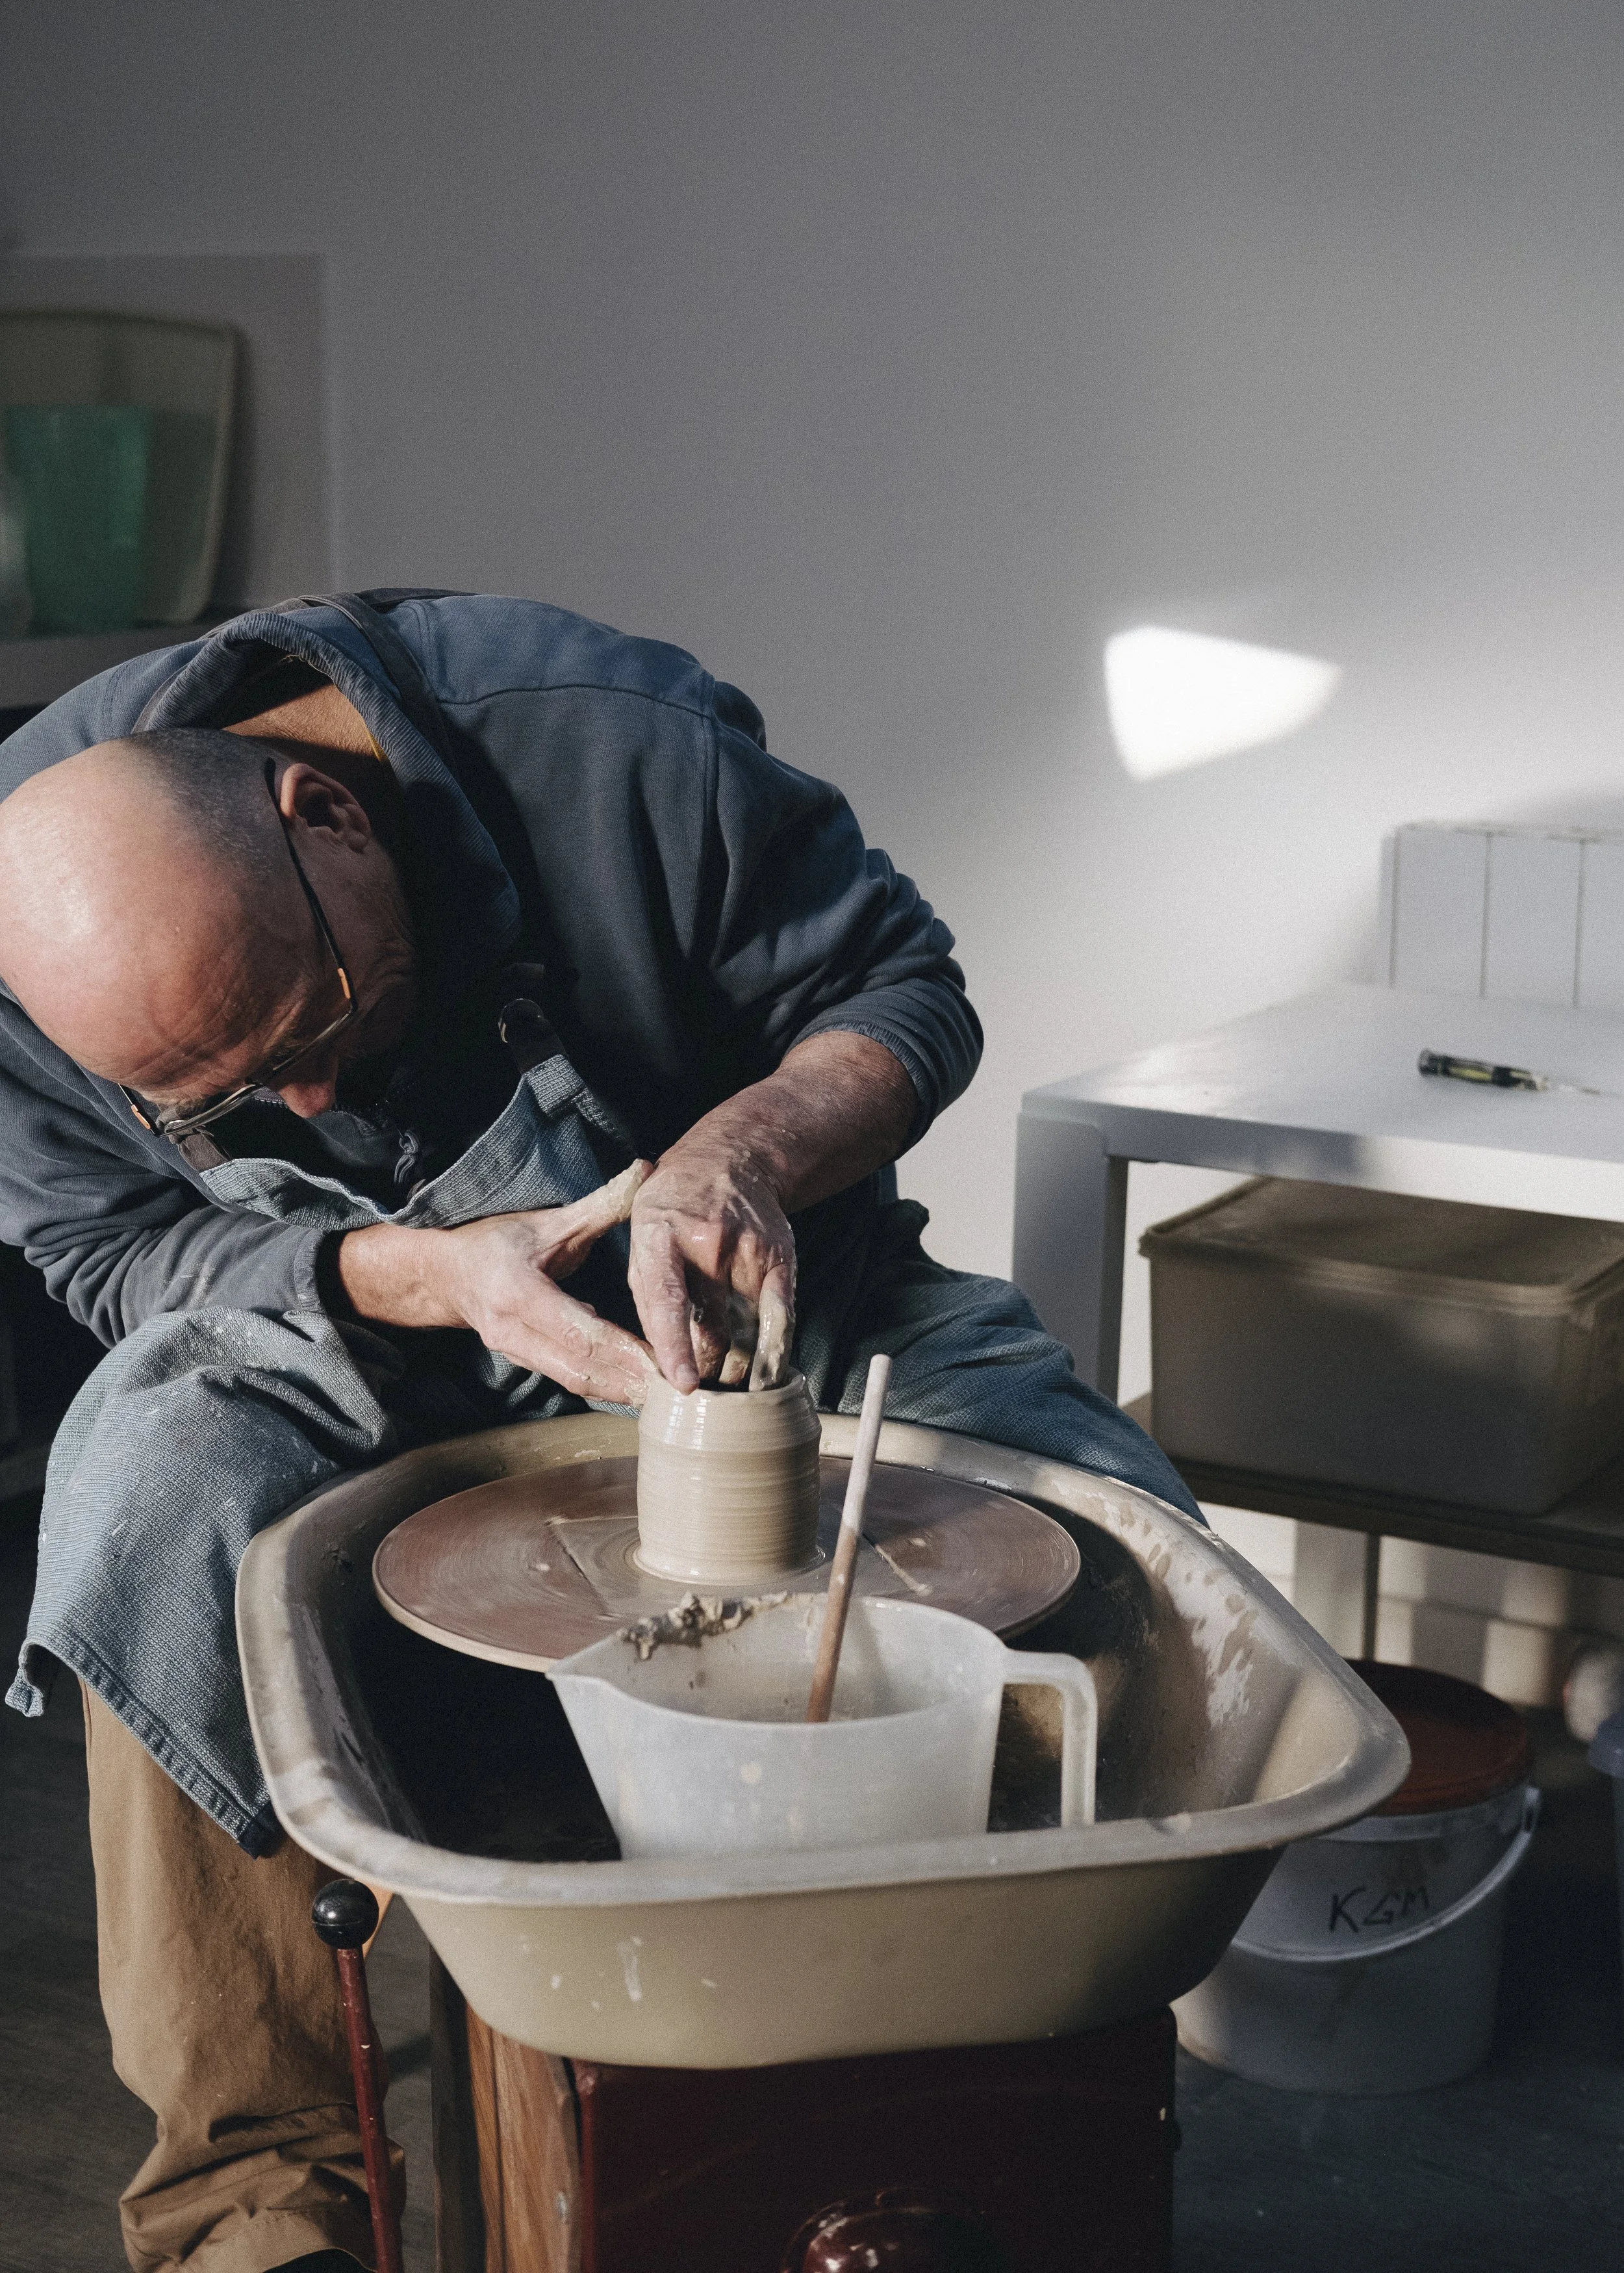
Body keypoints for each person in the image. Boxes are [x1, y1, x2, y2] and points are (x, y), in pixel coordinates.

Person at [0, 591, 1193, 2273]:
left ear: (326, 813)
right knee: (152, 1490)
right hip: (346, 1330)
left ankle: (967, 2095)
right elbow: (110, 1252)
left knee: (1100, 1532)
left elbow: (905, 992)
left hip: (770, 1305)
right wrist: (411, 1269)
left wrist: (743, 1154)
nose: (315, 1103)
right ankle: (251, 2206)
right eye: (232, 1100)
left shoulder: (617, 747)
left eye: (320, 1021)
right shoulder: (22, 934)